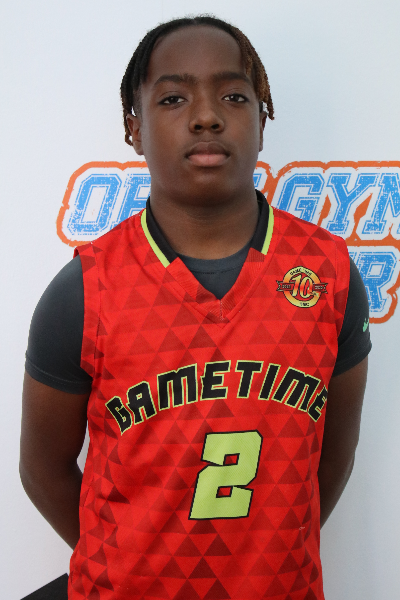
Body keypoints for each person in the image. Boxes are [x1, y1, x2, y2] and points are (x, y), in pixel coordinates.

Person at [20, 15, 371, 600]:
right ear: (134, 128)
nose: (206, 116)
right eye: (173, 98)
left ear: (262, 120)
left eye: (234, 96)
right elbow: (42, 470)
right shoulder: (84, 290)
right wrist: (127, 562)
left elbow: (332, 457)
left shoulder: (328, 274)